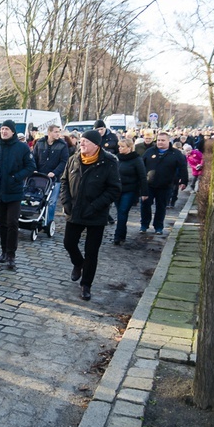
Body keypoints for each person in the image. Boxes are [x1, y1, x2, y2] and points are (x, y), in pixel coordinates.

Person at [60, 130, 121, 301]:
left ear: (96, 145)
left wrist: (96, 205)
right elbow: (64, 180)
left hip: (96, 213)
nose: (82, 144)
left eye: (85, 141)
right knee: (69, 243)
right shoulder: (74, 159)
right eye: (80, 141)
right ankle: (78, 263)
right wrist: (66, 202)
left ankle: (86, 285)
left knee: (92, 251)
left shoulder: (109, 162)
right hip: (75, 210)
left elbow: (114, 189)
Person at [0, 119, 36, 270]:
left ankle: (11, 254)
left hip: (14, 191)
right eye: (2, 129)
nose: (4, 131)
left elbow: (30, 166)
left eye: (7, 129)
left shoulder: (22, 148)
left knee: (12, 223)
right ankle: (3, 251)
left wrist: (16, 177)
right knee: (2, 223)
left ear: (13, 131)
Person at [140, 132, 189, 234]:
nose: (160, 142)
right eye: (158, 140)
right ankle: (144, 225)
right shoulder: (150, 152)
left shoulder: (176, 153)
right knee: (145, 205)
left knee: (161, 206)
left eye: (163, 140)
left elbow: (183, 167)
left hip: (165, 185)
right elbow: (141, 166)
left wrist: (184, 181)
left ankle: (158, 226)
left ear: (168, 141)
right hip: (149, 184)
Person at [32, 124, 69, 229]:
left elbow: (64, 161)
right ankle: (37, 219)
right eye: (56, 132)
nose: (58, 134)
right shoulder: (39, 143)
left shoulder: (62, 145)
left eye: (59, 131)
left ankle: (48, 222)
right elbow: (33, 158)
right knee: (37, 199)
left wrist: (55, 172)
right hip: (40, 177)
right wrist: (34, 169)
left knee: (51, 202)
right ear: (49, 133)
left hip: (54, 178)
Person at [114, 138, 148, 245]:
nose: (120, 148)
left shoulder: (136, 159)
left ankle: (118, 236)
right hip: (117, 189)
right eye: (119, 146)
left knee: (123, 211)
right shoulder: (117, 158)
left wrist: (144, 192)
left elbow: (142, 176)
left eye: (122, 146)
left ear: (129, 147)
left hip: (130, 190)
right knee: (119, 212)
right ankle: (122, 234)